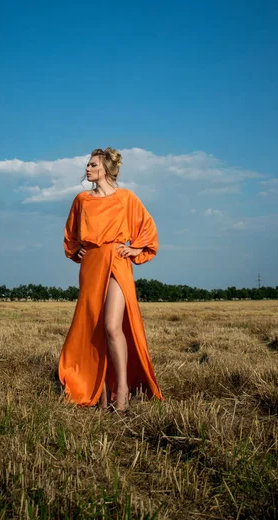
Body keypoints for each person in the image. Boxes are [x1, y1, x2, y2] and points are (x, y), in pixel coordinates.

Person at [58, 147, 163, 411]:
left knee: (112, 326)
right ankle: (102, 395)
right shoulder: (82, 199)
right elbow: (71, 233)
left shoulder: (126, 198)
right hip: (92, 265)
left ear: (105, 168)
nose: (87, 168)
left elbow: (147, 226)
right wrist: (77, 249)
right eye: (88, 165)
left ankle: (123, 391)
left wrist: (137, 248)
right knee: (95, 329)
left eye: (93, 165)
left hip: (117, 262)